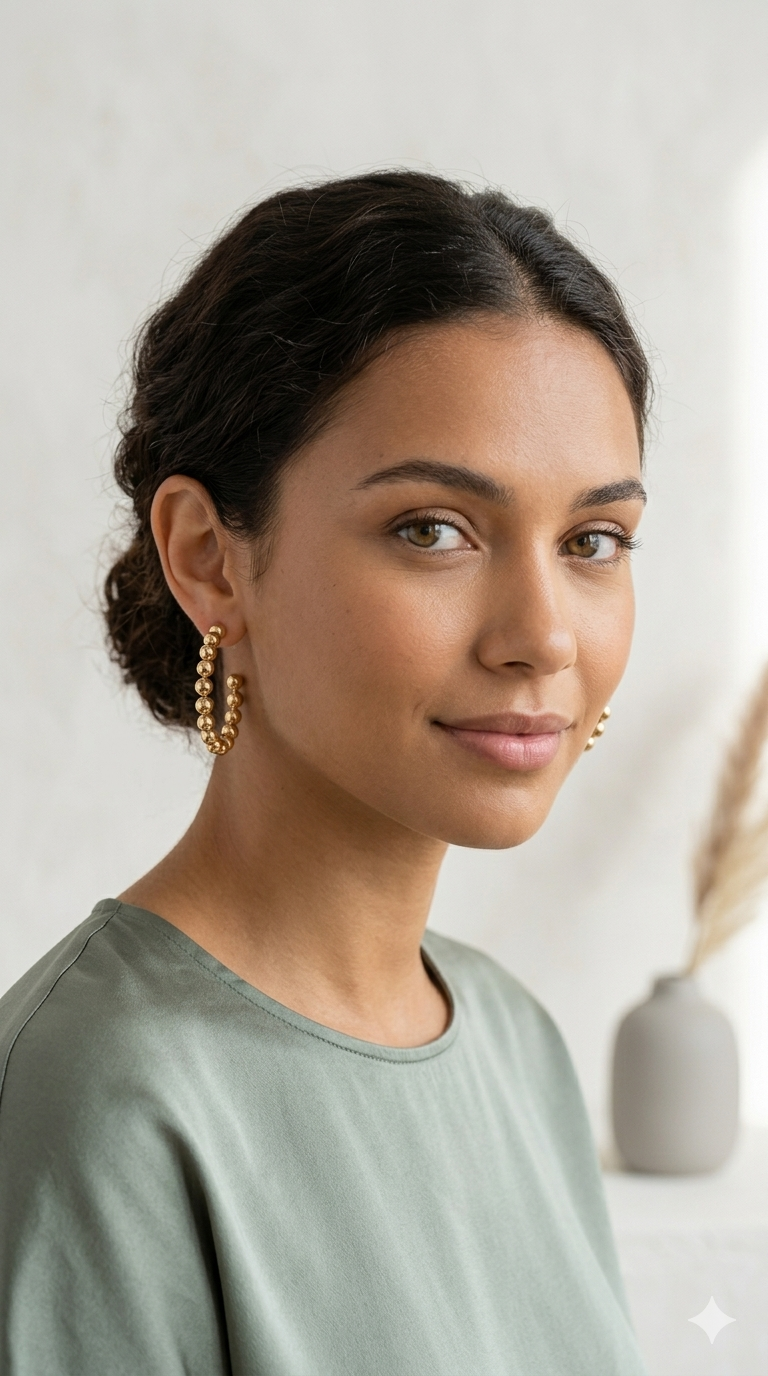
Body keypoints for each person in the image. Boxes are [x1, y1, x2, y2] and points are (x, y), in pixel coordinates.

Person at [0, 170, 650, 1375]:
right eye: (433, 528)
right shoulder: (92, 1101)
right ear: (210, 560)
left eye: (592, 541)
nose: (545, 634)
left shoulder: (519, 1046)